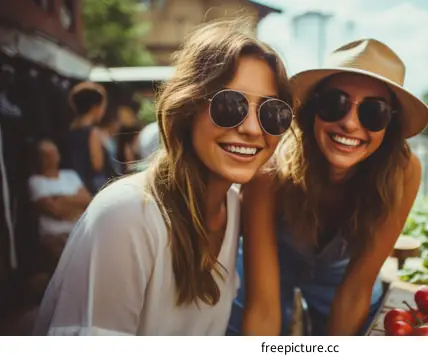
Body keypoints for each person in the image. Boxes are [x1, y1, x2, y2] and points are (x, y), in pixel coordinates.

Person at [32, 20, 293, 336]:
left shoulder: (232, 209)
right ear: (187, 108)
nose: (253, 128)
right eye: (230, 105)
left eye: (272, 112)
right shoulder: (126, 214)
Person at [228, 39, 428, 336]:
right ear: (312, 110)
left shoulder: (403, 171)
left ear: (390, 126)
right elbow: (263, 306)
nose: (349, 123)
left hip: (340, 276)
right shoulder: (268, 171)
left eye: (374, 112)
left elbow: (356, 289)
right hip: (268, 267)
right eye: (334, 103)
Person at [28, 139, 92, 269]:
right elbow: (55, 210)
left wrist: (60, 198)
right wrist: (75, 203)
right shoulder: (35, 182)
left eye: (54, 152)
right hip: (55, 237)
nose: (53, 156)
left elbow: (87, 199)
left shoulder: (70, 175)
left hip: (80, 231)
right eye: (47, 154)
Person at [67, 81, 115, 195]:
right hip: (92, 188)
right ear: (94, 107)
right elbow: (97, 164)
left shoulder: (70, 129)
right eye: (103, 106)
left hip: (74, 185)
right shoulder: (92, 132)